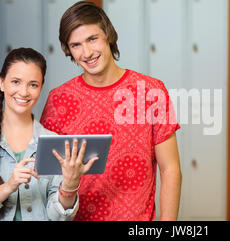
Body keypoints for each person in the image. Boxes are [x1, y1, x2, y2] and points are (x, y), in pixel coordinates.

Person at [40, 1, 182, 221]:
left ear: (108, 34)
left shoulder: (151, 91)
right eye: (76, 45)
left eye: (92, 39)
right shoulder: (59, 99)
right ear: (67, 49)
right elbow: (47, 179)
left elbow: (170, 169)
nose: (87, 52)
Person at [0, 48, 97, 221]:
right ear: (1, 82)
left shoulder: (53, 141)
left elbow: (59, 218)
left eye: (33, 84)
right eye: (16, 82)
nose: (24, 92)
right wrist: (9, 186)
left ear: (41, 87)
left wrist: (70, 186)